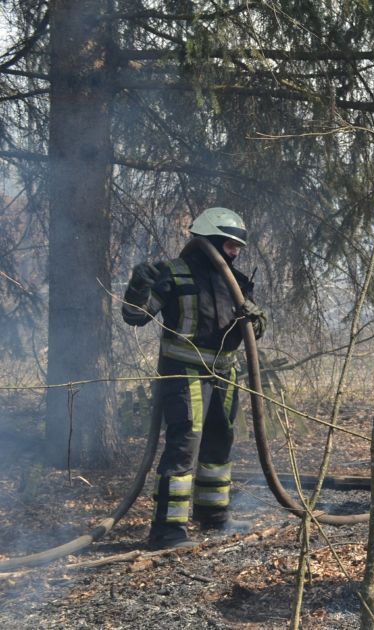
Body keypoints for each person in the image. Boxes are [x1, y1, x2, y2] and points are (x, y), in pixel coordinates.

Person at [122, 207, 266, 550]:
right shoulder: (173, 274)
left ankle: (213, 516)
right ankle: (168, 530)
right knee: (184, 444)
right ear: (209, 239)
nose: (235, 251)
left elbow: (253, 331)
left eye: (238, 246)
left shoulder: (237, 282)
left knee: (220, 440)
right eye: (230, 244)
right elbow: (134, 315)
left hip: (225, 374)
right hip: (183, 373)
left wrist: (257, 319)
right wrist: (140, 281)